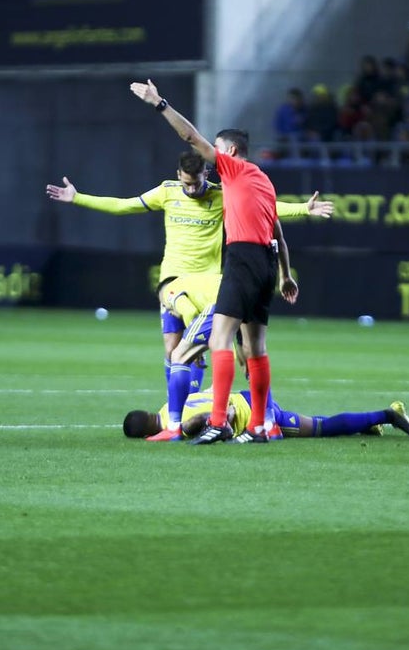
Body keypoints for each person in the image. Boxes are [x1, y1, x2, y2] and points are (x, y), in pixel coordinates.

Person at [46, 152, 331, 394]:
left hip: (208, 284)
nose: (192, 189)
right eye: (186, 183)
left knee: (195, 345)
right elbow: (124, 205)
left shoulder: (221, 195)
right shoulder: (167, 192)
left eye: (196, 184)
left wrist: (304, 209)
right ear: (178, 175)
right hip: (172, 281)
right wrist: (78, 198)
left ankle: (193, 407)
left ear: (207, 173)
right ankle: (181, 408)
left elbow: (266, 207)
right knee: (172, 349)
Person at [130, 79, 297, 445]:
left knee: (219, 339)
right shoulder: (264, 181)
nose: (213, 158)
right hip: (268, 263)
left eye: (218, 151)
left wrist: (160, 104)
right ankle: (259, 426)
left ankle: (218, 421)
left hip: (242, 259)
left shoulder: (234, 169)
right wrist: (286, 274)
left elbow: (192, 138)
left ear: (232, 150)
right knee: (256, 348)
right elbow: (279, 234)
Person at [122, 391, 409, 442]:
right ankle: (370, 424)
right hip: (248, 395)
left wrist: (226, 420)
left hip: (257, 414)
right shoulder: (168, 406)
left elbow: (208, 417)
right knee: (317, 423)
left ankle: (388, 414)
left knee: (321, 428)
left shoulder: (179, 426)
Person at [157, 273, 222, 429]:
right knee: (249, 354)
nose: (169, 310)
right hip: (243, 294)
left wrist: (194, 343)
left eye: (165, 306)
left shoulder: (169, 290)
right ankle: (266, 422)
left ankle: (174, 426)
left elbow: (190, 312)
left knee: (178, 355)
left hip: (221, 303)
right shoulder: (199, 282)